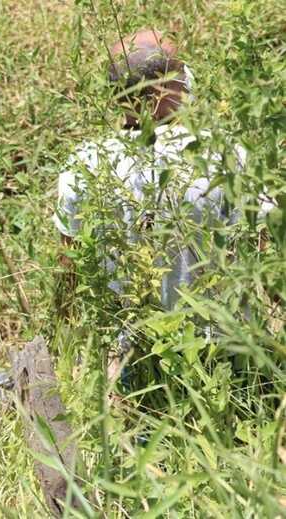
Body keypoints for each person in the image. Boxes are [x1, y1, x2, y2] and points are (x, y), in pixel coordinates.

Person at [52, 30, 274, 377]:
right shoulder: (227, 154)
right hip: (228, 357)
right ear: (166, 89)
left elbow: (71, 272)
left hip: (134, 363)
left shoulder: (82, 167)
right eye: (182, 71)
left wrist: (68, 352)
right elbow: (263, 249)